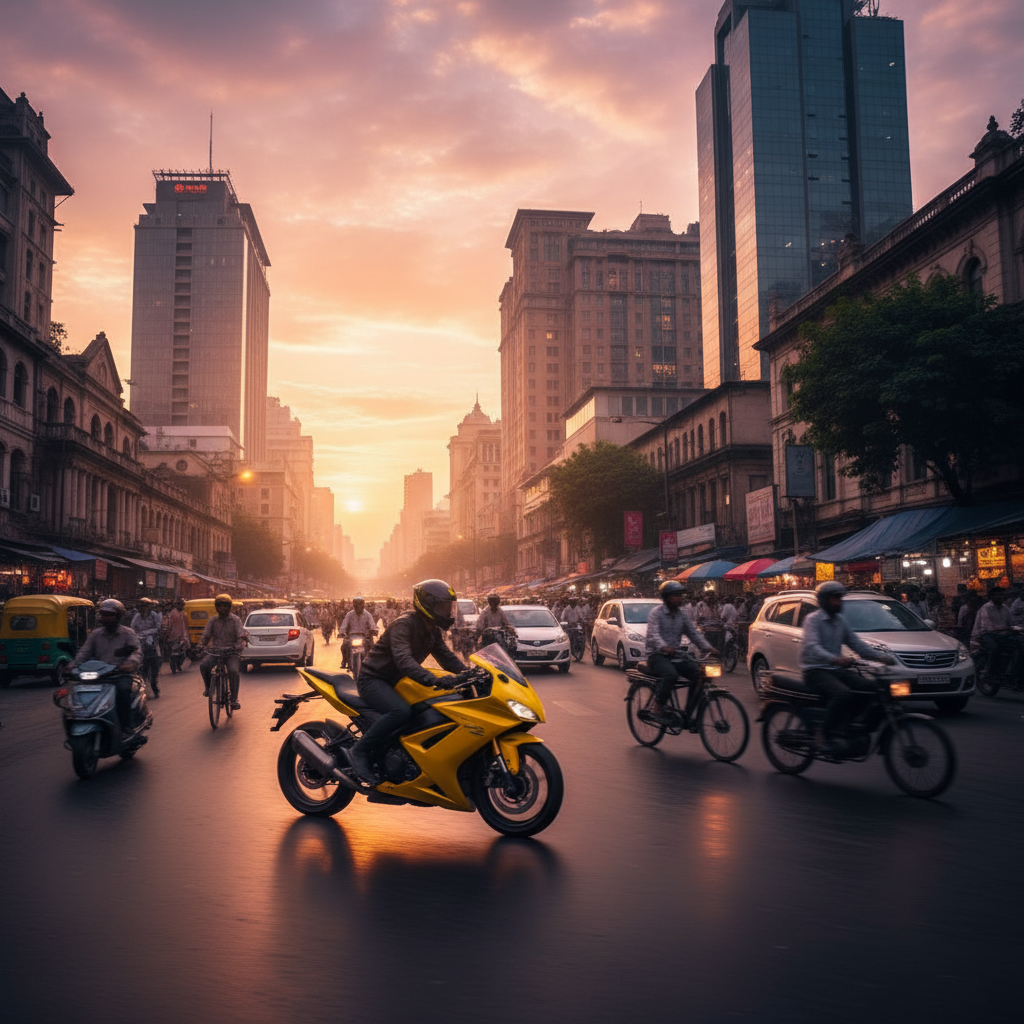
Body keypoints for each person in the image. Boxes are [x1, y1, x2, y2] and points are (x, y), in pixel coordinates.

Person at [348, 580, 465, 784]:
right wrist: (432, 679)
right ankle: (359, 751)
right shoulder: (404, 625)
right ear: (427, 605)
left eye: (449, 606)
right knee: (400, 711)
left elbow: (446, 657)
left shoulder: (432, 629)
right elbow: (404, 660)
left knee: (430, 708)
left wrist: (470, 673)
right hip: (374, 679)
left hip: (399, 681)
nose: (447, 611)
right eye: (443, 606)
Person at [800, 581, 896, 751]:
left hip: (836, 670)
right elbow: (812, 646)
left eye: (840, 598)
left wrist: (881, 657)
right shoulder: (812, 620)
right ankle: (823, 732)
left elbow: (856, 644)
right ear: (824, 600)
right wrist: (835, 659)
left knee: (872, 687)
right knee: (842, 694)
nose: (839, 602)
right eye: (835, 599)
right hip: (815, 670)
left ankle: (849, 724)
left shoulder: (840, 621)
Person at [644, 580, 718, 724]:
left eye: (680, 596)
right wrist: (664, 647)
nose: (679, 599)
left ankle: (688, 714)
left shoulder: (682, 615)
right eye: (675, 596)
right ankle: (657, 707)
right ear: (667, 598)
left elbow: (693, 633)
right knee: (671, 674)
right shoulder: (656, 613)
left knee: (698, 674)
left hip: (675, 655)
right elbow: (653, 635)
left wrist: (707, 647)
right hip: (656, 655)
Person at [72, 599, 143, 732]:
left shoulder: (128, 633)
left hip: (119, 674)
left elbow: (136, 652)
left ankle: (125, 726)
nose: (107, 618)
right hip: (98, 675)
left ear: (118, 616)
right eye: (104, 615)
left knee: (122, 692)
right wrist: (72, 666)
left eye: (111, 615)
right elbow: (84, 652)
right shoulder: (96, 634)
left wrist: (128, 664)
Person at [199, 594, 247, 710]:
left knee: (234, 671)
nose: (222, 608)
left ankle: (234, 699)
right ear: (216, 607)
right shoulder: (213, 620)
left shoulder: (235, 620)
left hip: (231, 652)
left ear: (229, 607)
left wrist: (239, 645)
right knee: (204, 665)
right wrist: (201, 645)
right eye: (220, 606)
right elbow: (206, 635)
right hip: (216, 651)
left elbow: (241, 635)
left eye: (225, 606)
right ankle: (209, 688)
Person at [972, 587, 1014, 680]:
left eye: (1002, 595)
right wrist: (1006, 628)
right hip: (986, 635)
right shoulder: (986, 608)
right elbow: (987, 627)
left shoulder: (1005, 608)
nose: (1000, 597)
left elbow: (1011, 623)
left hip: (1003, 634)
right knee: (995, 649)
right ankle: (991, 673)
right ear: (992, 596)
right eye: (998, 595)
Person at [130, 598, 163, 697]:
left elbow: (158, 628)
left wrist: (147, 633)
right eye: (141, 607)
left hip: (152, 642)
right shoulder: (137, 616)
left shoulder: (154, 616)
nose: (143, 609)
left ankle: (154, 687)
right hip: (140, 641)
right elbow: (132, 628)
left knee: (154, 670)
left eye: (145, 607)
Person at [340, 595, 378, 669]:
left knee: (372, 648)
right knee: (344, 646)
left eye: (360, 604)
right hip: (351, 637)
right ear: (354, 605)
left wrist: (373, 631)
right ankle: (344, 661)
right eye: (356, 604)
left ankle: (371, 663)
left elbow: (372, 625)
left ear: (363, 605)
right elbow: (344, 625)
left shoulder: (368, 615)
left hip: (365, 637)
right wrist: (342, 632)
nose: (358, 606)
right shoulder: (349, 614)